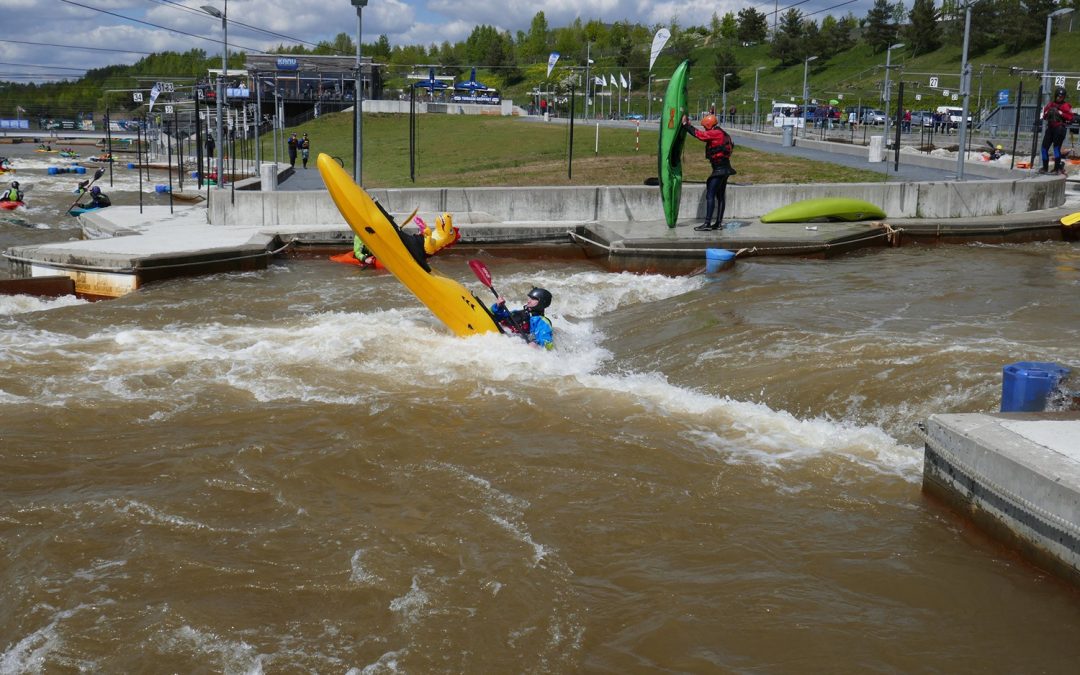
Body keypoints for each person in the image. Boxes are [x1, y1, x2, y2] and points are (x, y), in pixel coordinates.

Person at [681, 113, 737, 231]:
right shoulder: (723, 133)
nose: (705, 129)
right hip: (725, 168)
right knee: (720, 196)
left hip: (719, 169)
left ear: (709, 125)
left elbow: (700, 135)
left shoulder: (715, 133)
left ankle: (707, 224)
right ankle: (718, 224)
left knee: (710, 195)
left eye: (705, 126)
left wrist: (685, 125)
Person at [490, 288, 554, 350]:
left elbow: (548, 345)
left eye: (533, 299)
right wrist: (498, 306)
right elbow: (495, 316)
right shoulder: (518, 313)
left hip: (516, 346)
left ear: (542, 303)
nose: (529, 301)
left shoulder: (542, 322)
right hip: (504, 338)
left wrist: (536, 344)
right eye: (529, 298)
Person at [1040, 86, 1074, 175]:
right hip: (1050, 128)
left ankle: (1056, 169)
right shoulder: (1050, 104)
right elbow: (1044, 116)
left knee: (1056, 148)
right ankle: (1045, 167)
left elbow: (1070, 117)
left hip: (1059, 129)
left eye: (1062, 96)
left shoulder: (1066, 106)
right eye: (1058, 96)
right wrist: (1048, 112)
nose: (1060, 98)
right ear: (1056, 96)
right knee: (1044, 148)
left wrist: (1061, 113)